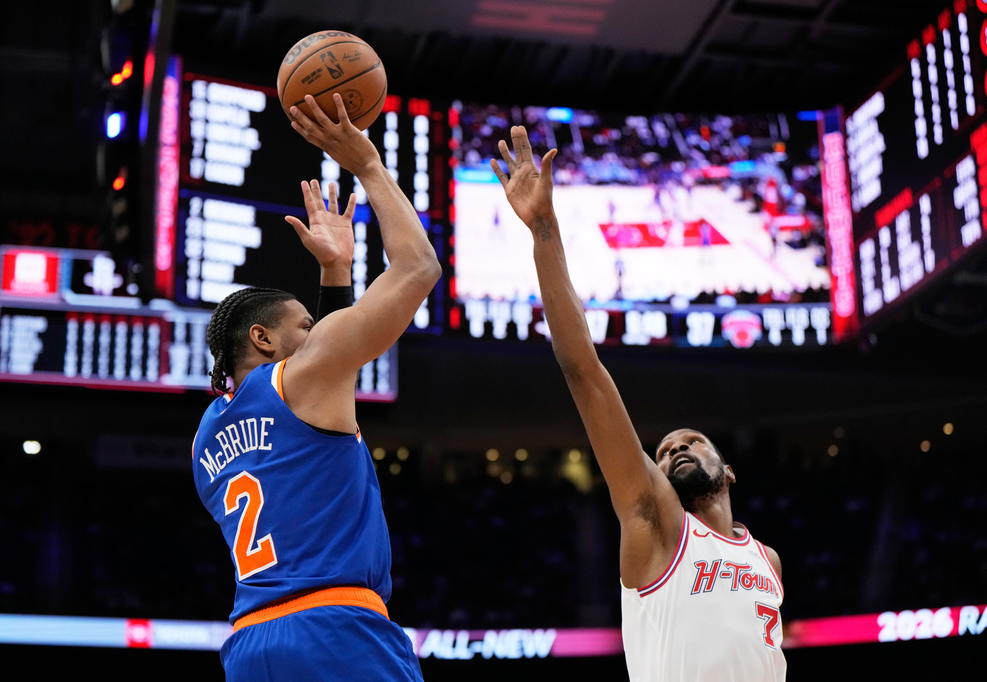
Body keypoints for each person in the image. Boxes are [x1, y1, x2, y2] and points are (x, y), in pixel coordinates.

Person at [490, 126, 785, 681]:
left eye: (692, 442)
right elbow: (584, 373)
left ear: (729, 472)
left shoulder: (766, 559)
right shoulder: (657, 521)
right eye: (666, 448)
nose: (675, 446)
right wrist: (544, 230)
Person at [192, 93, 440, 682]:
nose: (320, 333)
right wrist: (368, 166)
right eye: (305, 325)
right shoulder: (301, 380)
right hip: (337, 632)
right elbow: (418, 268)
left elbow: (324, 379)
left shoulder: (206, 439)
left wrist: (336, 274)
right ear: (264, 338)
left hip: (251, 645)